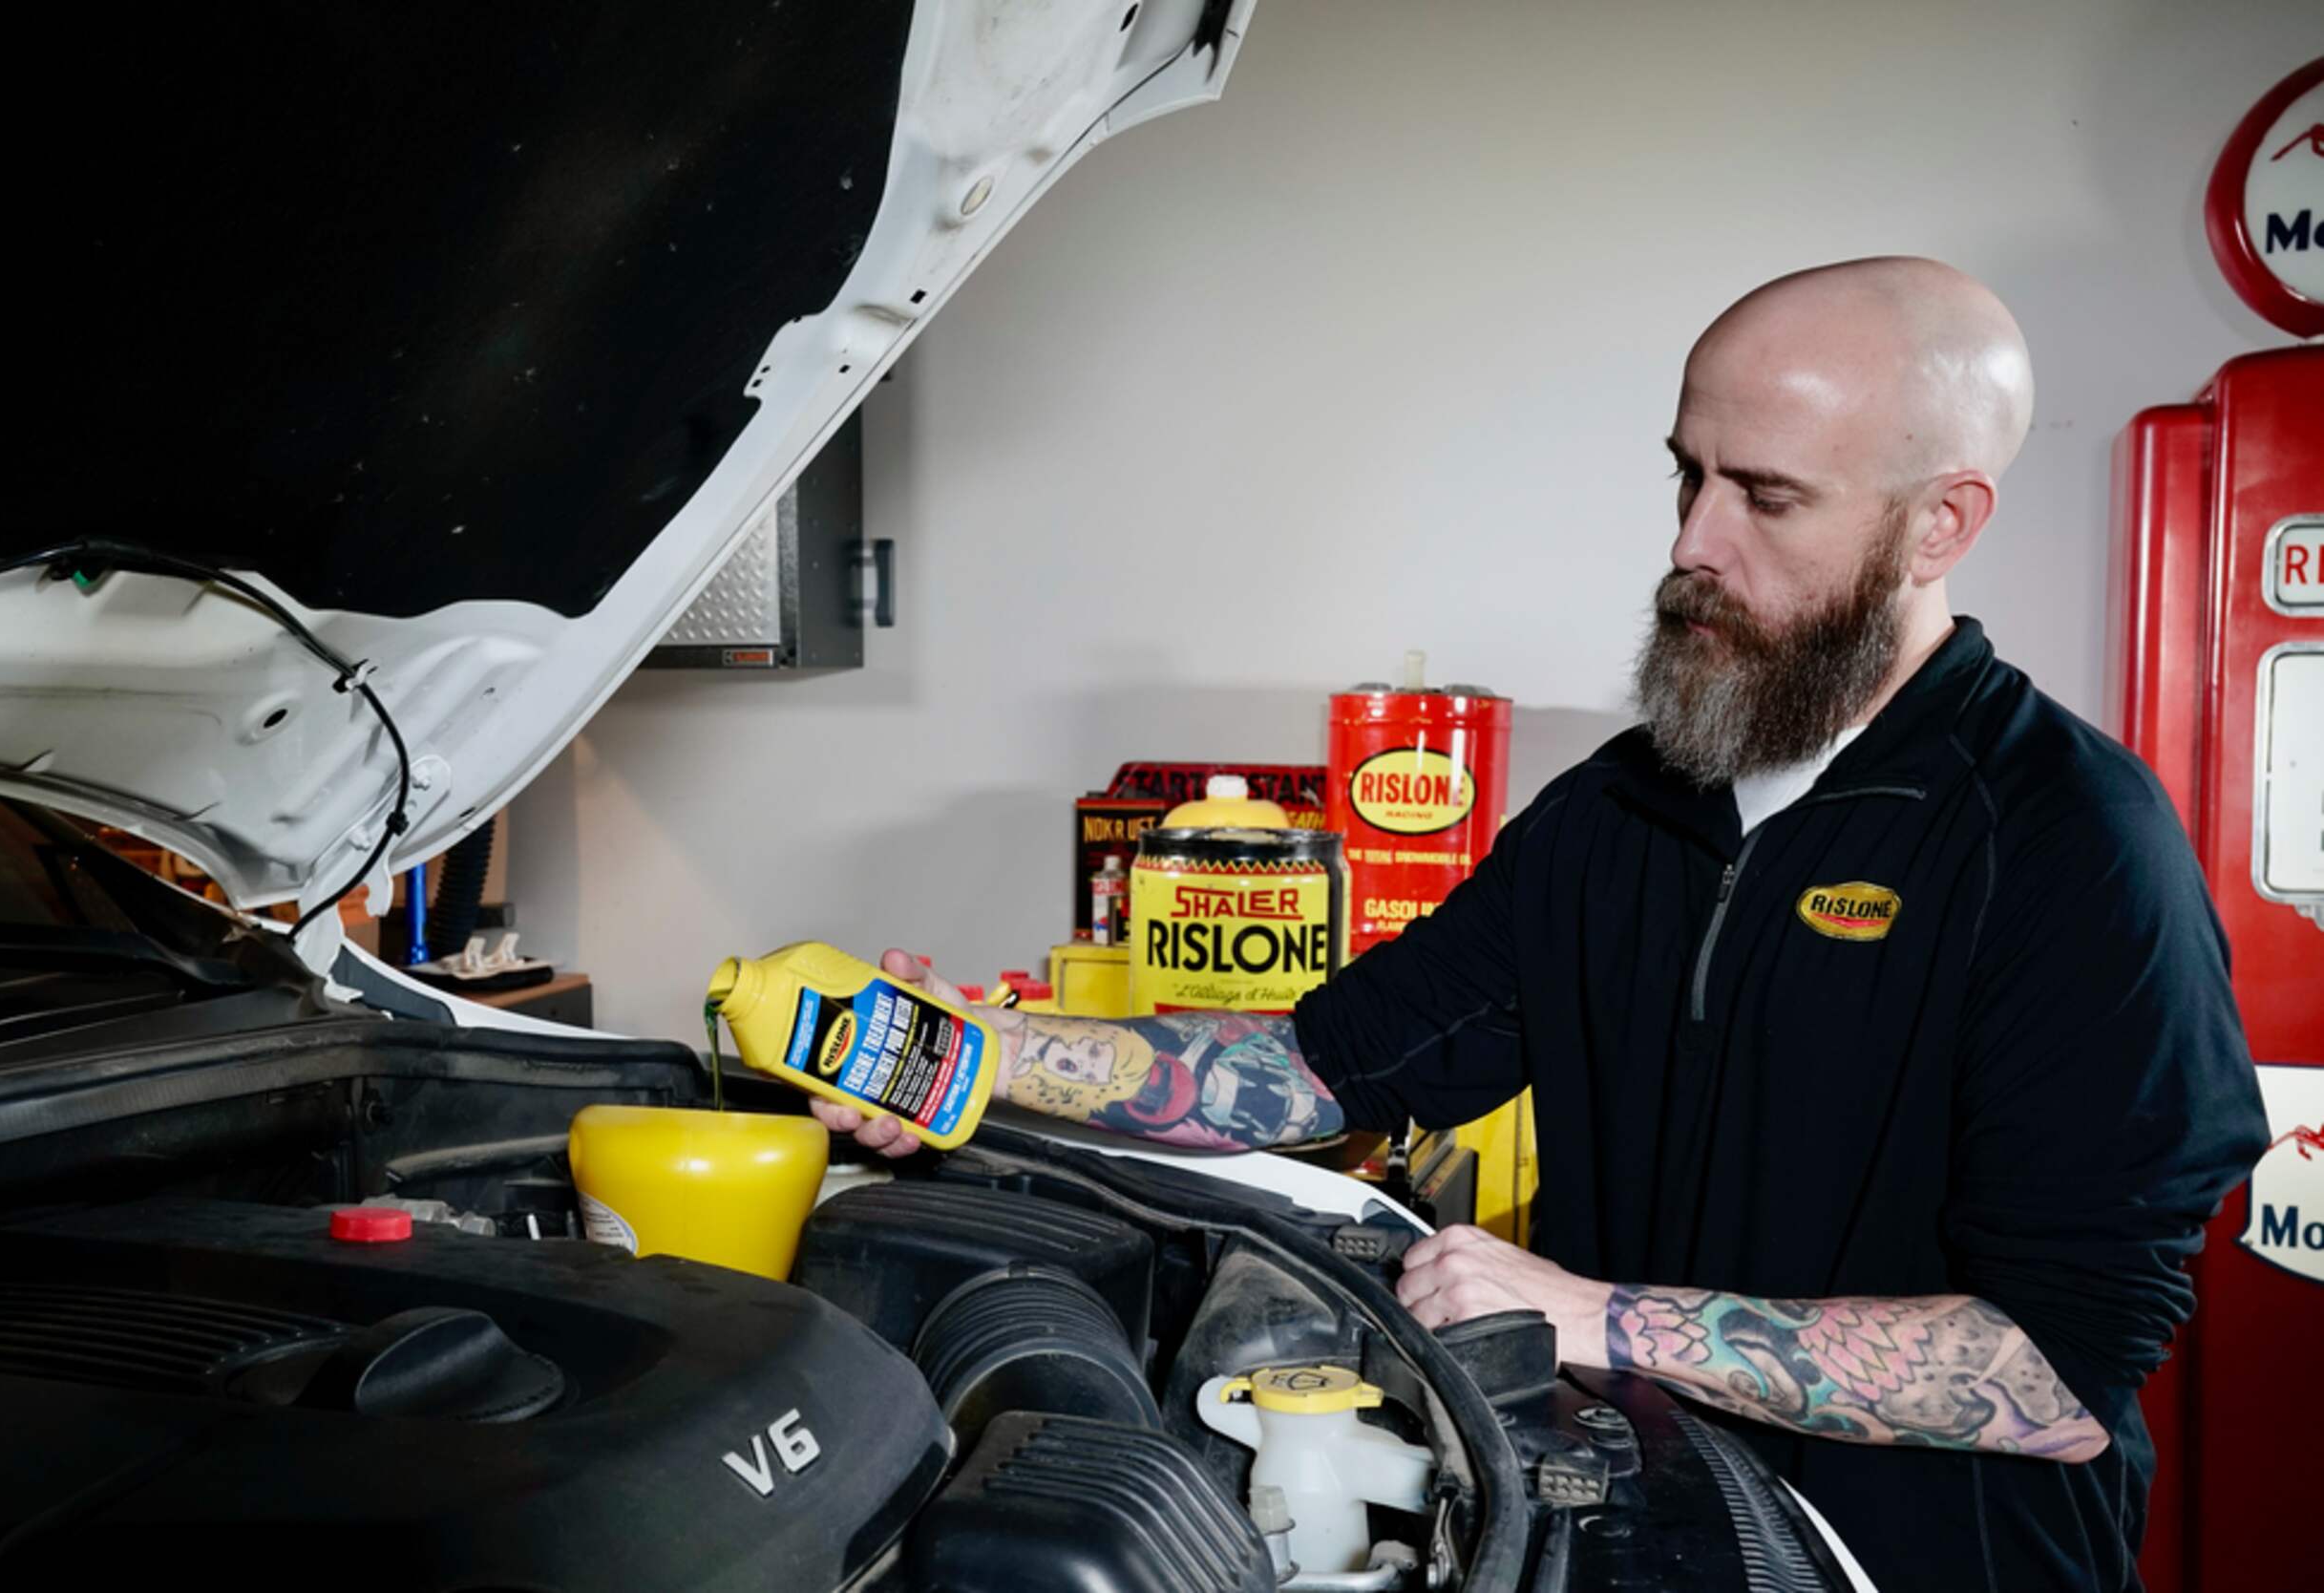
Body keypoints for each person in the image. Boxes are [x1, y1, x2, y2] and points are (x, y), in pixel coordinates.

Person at [812, 258, 2270, 1590]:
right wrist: (977, 1055)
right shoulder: (1622, 808)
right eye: (1686, 475)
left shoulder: (2070, 842)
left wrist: (1597, 1316)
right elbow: (1326, 1068)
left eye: (1765, 498)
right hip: (1637, 1537)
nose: (1692, 543)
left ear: (1939, 522)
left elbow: (2054, 1374)